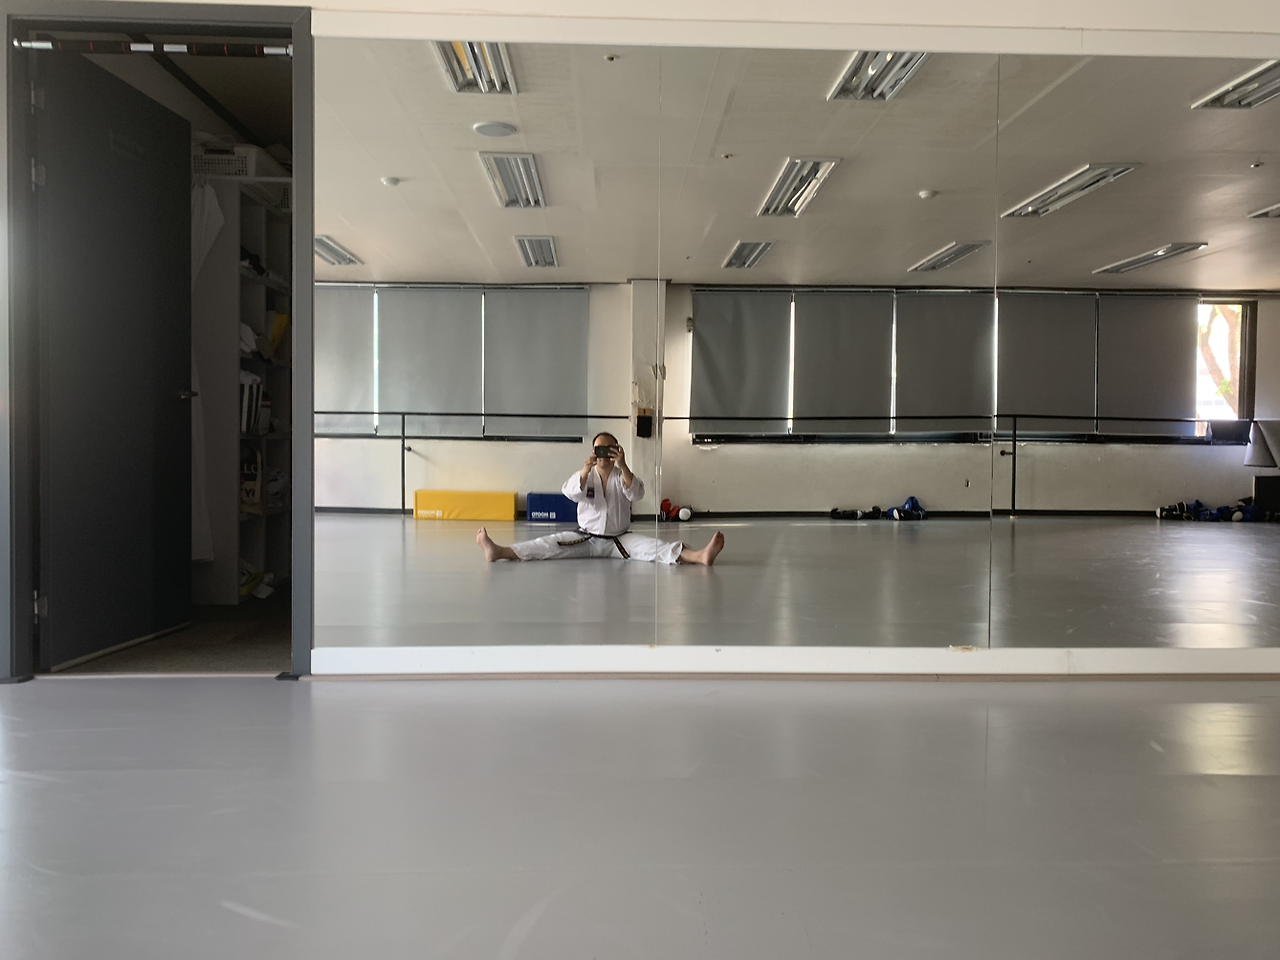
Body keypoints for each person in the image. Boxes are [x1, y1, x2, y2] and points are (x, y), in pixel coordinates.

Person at [477, 432, 725, 565]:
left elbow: (637, 493)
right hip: (586, 538)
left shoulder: (622, 475)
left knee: (654, 547)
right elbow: (570, 493)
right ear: (593, 452)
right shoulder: (585, 475)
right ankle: (499, 551)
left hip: (620, 539)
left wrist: (624, 465)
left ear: (617, 451)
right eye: (599, 450)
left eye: (609, 449)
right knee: (548, 544)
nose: (604, 454)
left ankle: (699, 556)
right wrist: (585, 471)